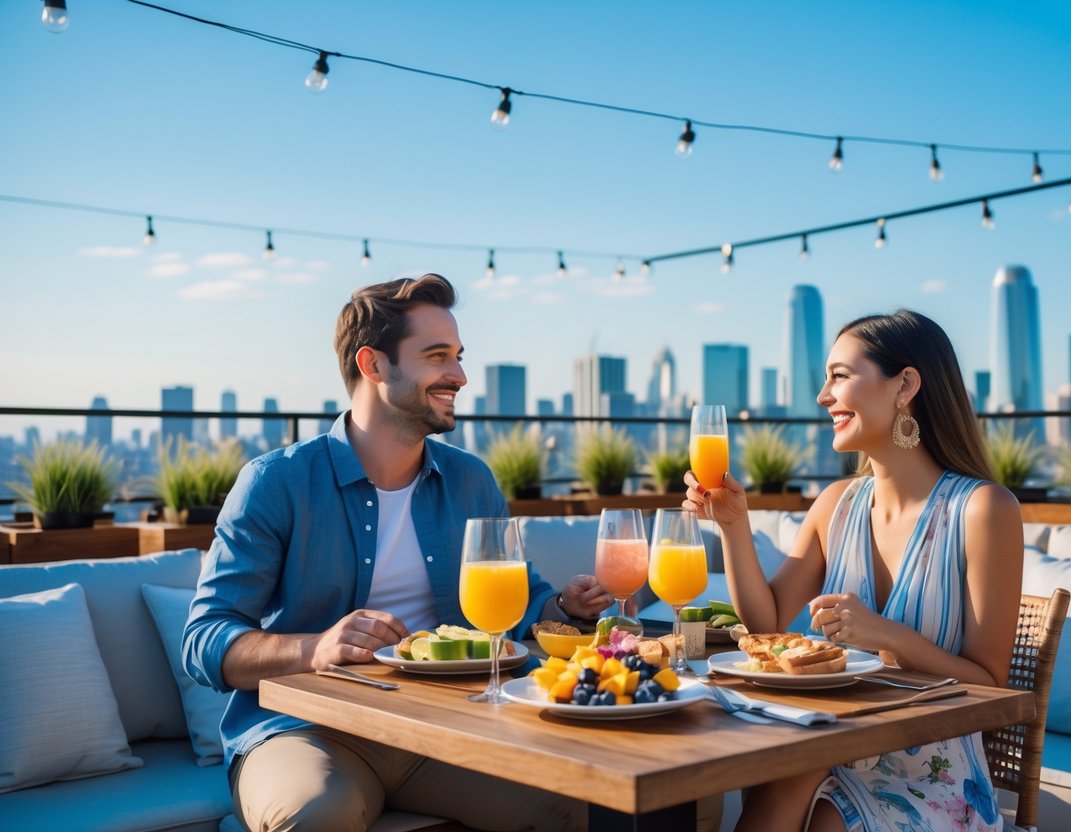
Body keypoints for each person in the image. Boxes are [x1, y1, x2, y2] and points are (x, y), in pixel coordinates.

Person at [183, 273, 612, 832]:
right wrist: (317, 647)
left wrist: (562, 608)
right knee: (316, 815)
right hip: (305, 729)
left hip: (445, 729)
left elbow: (519, 599)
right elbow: (205, 641)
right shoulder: (275, 483)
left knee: (603, 807)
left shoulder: (471, 481)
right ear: (373, 364)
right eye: (437, 356)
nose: (458, 375)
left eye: (458, 357)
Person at [684, 310, 1022, 832]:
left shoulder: (982, 510)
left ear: (905, 384)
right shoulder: (835, 503)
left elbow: (992, 687)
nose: (823, 396)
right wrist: (732, 526)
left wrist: (885, 633)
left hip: (932, 772)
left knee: (820, 813)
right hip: (837, 742)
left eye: (840, 375)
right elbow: (765, 621)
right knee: (786, 773)